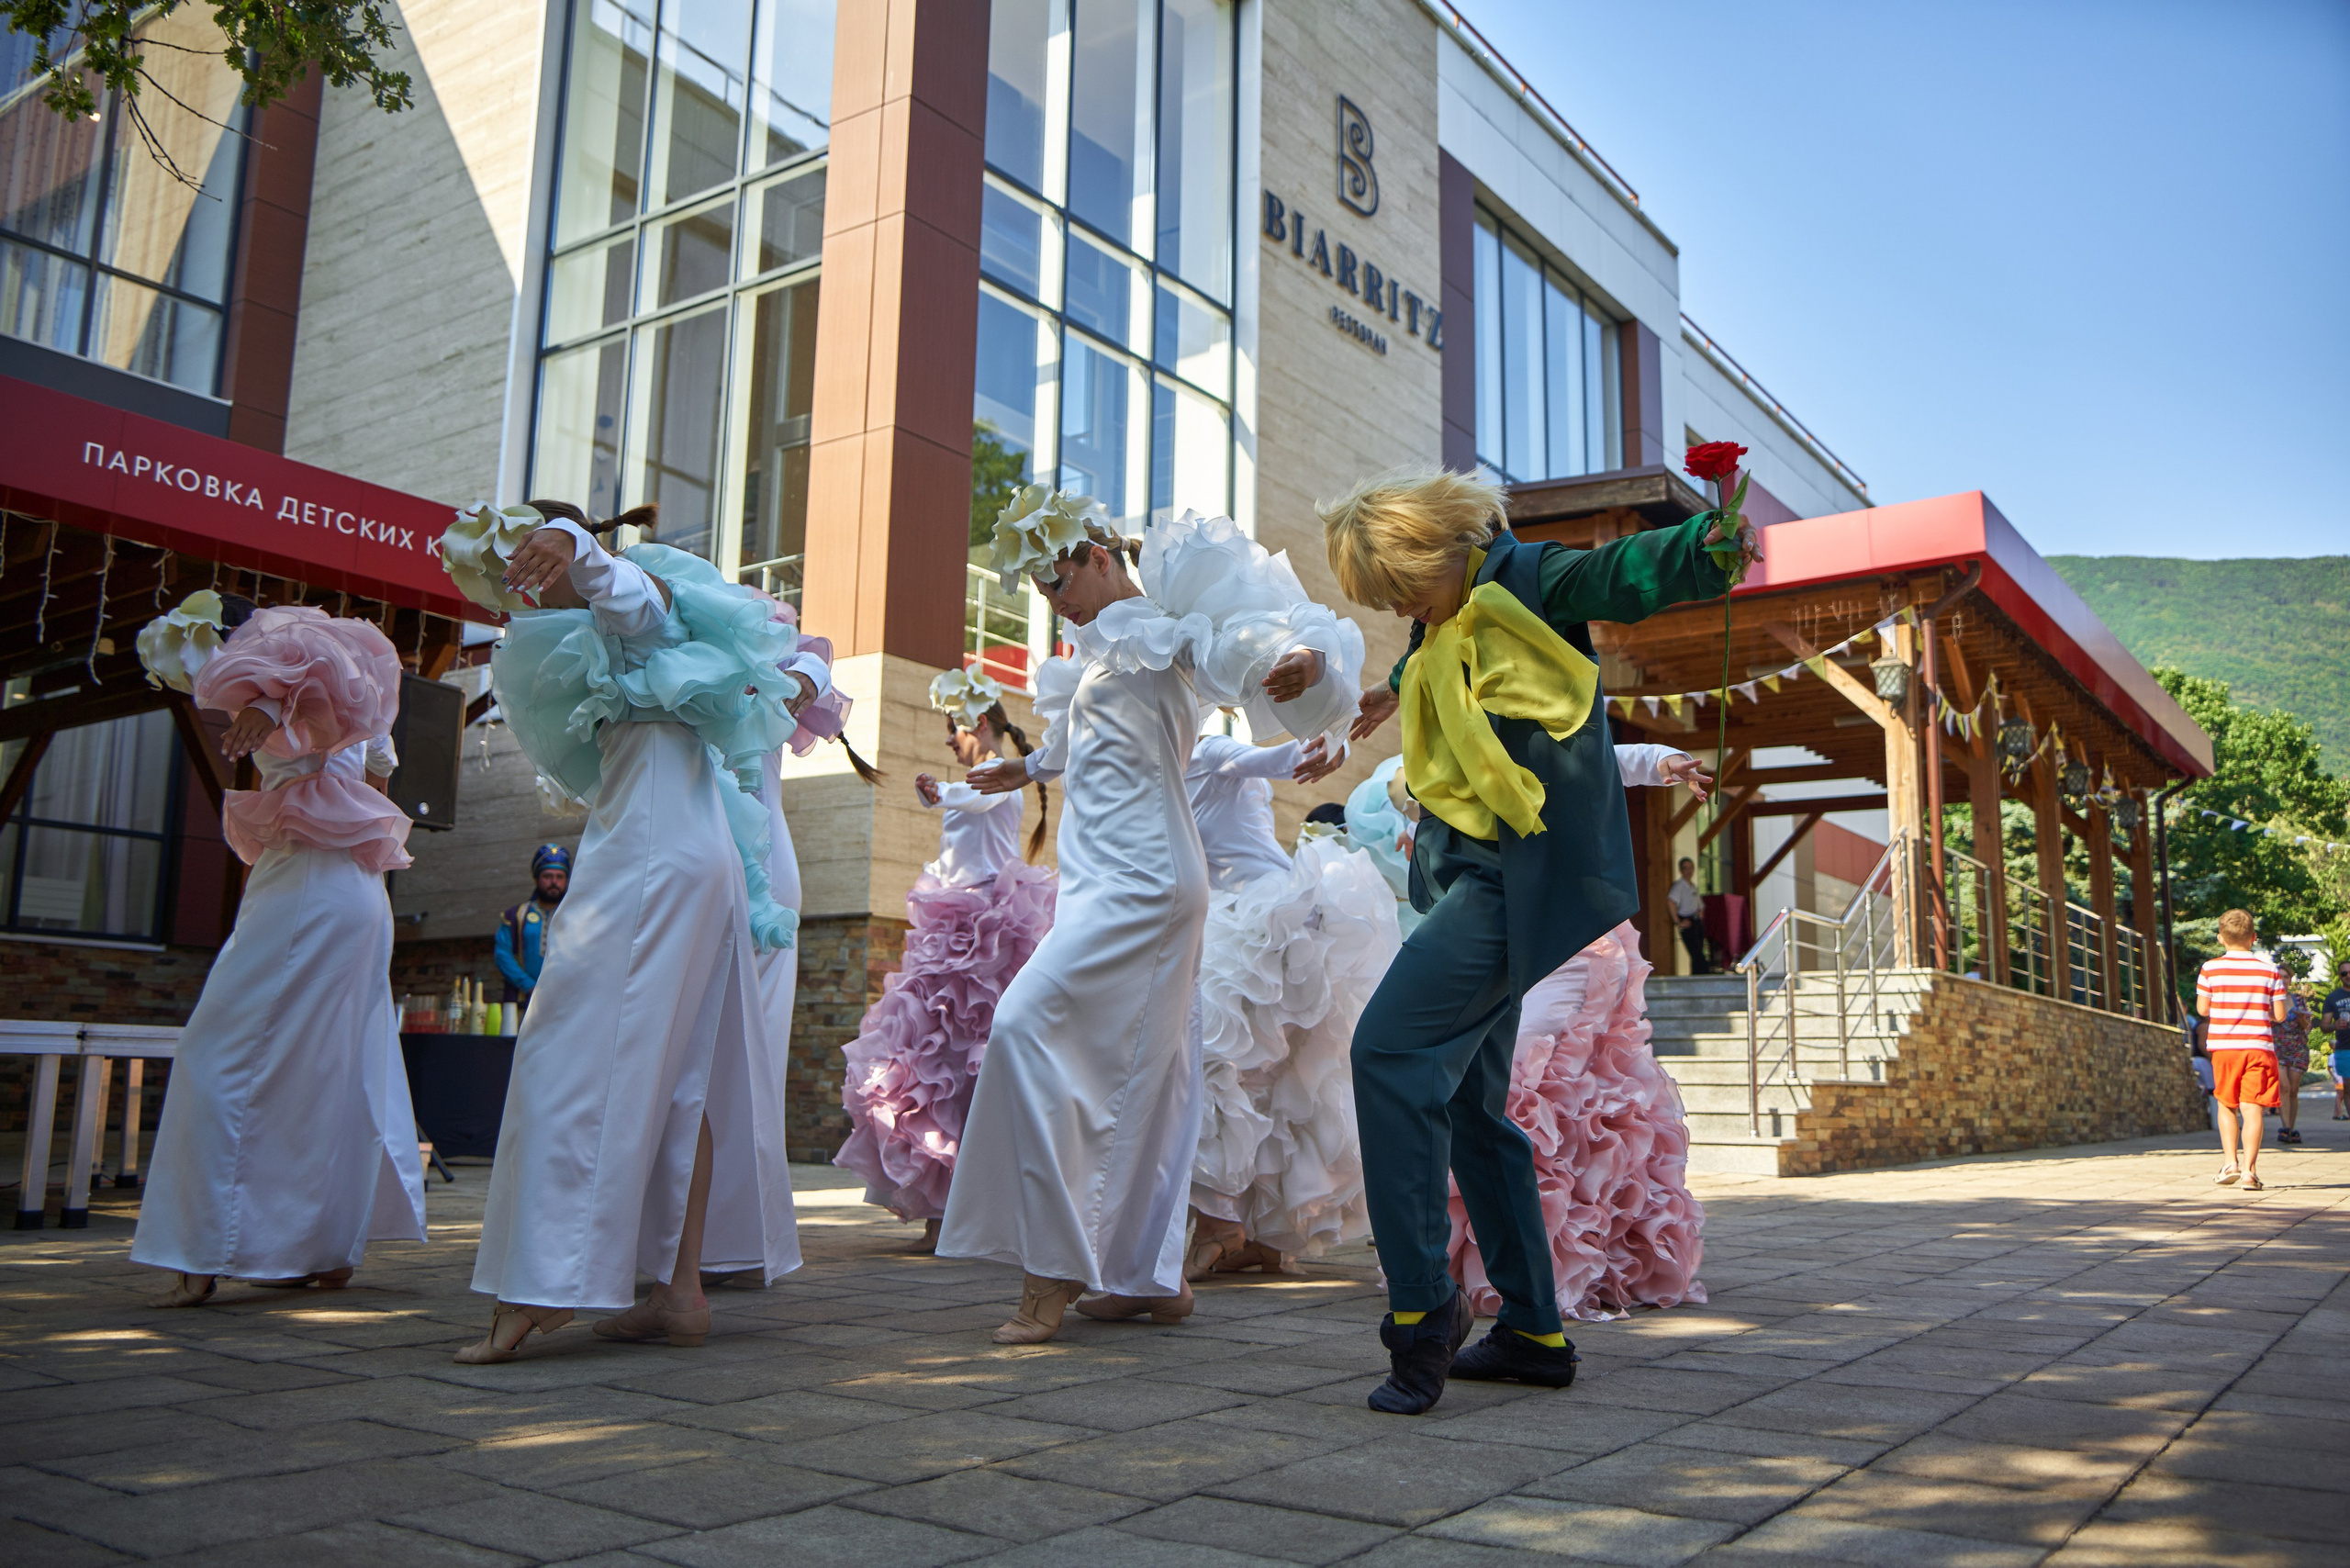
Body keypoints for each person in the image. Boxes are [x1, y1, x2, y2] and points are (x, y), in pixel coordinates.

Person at [1323, 464, 1753, 1415]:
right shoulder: (1437, 618)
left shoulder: (1527, 578)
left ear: (1439, 549)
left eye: (1400, 586)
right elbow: (1431, 662)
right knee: (1475, 1109)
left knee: (1388, 1054)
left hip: (1504, 886)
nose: (1401, 607)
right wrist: (1384, 693)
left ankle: (1422, 1310)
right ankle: (1533, 1329)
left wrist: (1709, 543)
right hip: (1451, 879)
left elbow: (1622, 573)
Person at [942, 495, 1360, 1344]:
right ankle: (1147, 1275)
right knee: (1163, 1080)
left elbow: (1253, 649)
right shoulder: (1099, 649)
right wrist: (1023, 767)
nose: (1050, 594)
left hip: (1148, 884)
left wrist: (1303, 666)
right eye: (1037, 584)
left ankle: (1055, 1268)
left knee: (1025, 1029)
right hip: (1099, 879)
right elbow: (1083, 738)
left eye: (1056, 575)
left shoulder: (1174, 629)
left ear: (1099, 555)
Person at [438, 498, 819, 1361]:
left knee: (567, 1054)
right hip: (689, 854)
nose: (521, 586)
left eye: (528, 563)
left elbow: (626, 592)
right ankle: (677, 1295)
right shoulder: (622, 634)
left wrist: (575, 547)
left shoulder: (640, 603)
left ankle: (545, 1286)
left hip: (650, 857)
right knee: (682, 1078)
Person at [129, 591, 427, 1305]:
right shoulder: (358, 706)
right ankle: (325, 1247)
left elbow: (303, 719)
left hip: (306, 891)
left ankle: (202, 1249)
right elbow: (377, 783)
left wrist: (272, 709)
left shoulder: (281, 698)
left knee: (222, 1054)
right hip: (359, 896)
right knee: (336, 1067)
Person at [1447, 743, 1714, 1324]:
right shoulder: (1476, 736)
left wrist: (1665, 762)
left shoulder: (1553, 729)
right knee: (1555, 1087)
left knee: (1534, 1080)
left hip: (1573, 937)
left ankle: (1548, 1265)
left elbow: (1607, 754)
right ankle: (1577, 1253)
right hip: (1508, 932)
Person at [834, 667, 1057, 1251]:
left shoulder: (996, 779)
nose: (948, 740)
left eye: (953, 729)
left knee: (960, 1062)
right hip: (951, 927)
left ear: (978, 724)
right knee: (940, 1064)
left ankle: (960, 1211)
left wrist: (944, 793)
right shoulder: (986, 776)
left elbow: (981, 796)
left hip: (987, 930)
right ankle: (944, 1208)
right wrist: (945, 793)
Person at [1172, 724, 1398, 1284]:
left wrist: (1319, 748)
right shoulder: (1162, 764)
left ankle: (1220, 1223)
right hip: (1232, 915)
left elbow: (1273, 759)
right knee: (1270, 1077)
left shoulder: (1207, 748)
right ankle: (1264, 1238)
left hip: (1261, 917)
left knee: (1214, 1063)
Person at [2195, 909, 2289, 1192]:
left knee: (2226, 1104)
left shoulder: (2210, 969)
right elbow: (2280, 1015)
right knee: (2253, 1108)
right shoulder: (2269, 970)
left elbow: (2202, 1009)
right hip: (2258, 1047)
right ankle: (2249, 1172)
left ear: (2220, 938)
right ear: (2253, 938)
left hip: (2224, 1048)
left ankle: (2230, 1164)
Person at [494, 844, 570, 1005]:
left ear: (567, 880)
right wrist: (529, 986)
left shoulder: (576, 916)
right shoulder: (515, 916)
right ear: (536, 878)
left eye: (559, 876)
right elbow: (502, 955)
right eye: (547, 876)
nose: (554, 882)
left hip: (567, 1000)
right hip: (524, 1000)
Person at [2275, 980, 2313, 1146]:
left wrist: (2299, 1016)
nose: (2283, 980)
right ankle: (2286, 1127)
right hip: (2277, 1047)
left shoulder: (2298, 1000)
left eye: (2286, 976)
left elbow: (2306, 1026)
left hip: (2297, 1047)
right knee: (2284, 1087)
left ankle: (2291, 1127)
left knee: (2294, 1090)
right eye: (2280, 976)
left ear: (2290, 979)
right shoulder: (2271, 999)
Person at [1667, 857, 1711, 974]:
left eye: (1690, 868)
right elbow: (1671, 901)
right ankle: (1705, 974)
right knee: (1696, 953)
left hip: (1696, 921)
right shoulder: (1679, 885)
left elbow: (1700, 905)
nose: (1689, 871)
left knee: (1698, 953)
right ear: (1681, 871)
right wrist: (1678, 922)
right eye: (1685, 868)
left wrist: (1700, 914)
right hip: (1687, 921)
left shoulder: (1693, 886)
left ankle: (1697, 976)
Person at [2325, 960, 2350, 1121]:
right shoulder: (2333, 998)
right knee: (2348, 1090)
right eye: (2344, 973)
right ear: (2340, 976)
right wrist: (2334, 1026)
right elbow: (2323, 1026)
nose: (2348, 975)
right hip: (2345, 1049)